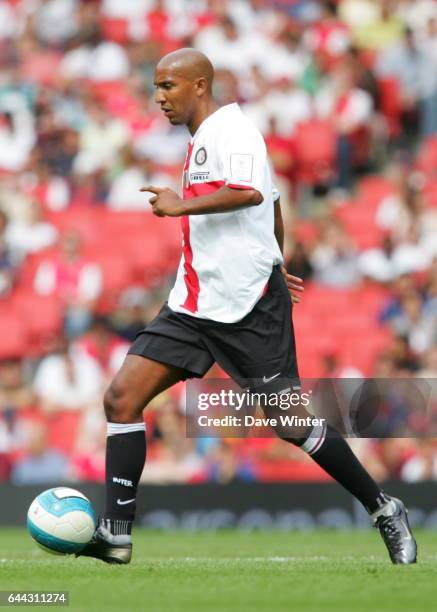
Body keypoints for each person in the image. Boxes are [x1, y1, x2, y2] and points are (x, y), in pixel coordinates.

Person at [77, 48, 417, 565]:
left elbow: (252, 193)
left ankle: (384, 506)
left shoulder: (233, 131)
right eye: (156, 86)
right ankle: (116, 534)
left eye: (168, 85)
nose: (159, 97)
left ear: (200, 84)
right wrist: (277, 255)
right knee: (122, 398)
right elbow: (276, 200)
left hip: (247, 306)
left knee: (289, 423)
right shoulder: (202, 140)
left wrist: (181, 205)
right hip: (193, 301)